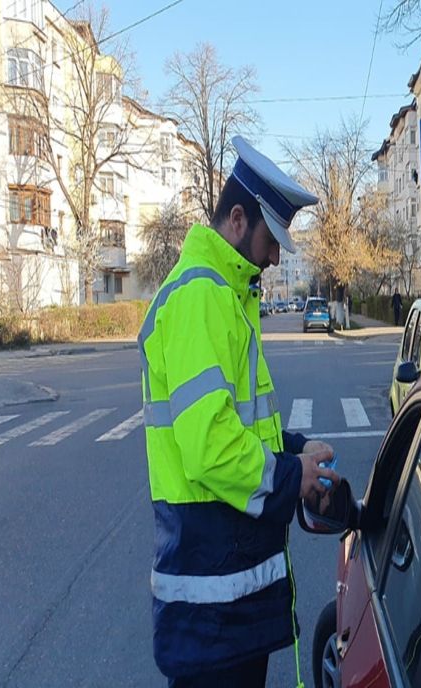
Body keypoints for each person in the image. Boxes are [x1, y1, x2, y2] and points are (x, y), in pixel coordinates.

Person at [138, 135, 341, 687]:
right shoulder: (201, 297)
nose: (276, 255)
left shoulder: (227, 296)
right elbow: (210, 445)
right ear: (236, 219)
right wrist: (289, 476)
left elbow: (242, 424)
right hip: (211, 604)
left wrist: (296, 453)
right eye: (270, 238)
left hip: (225, 597)